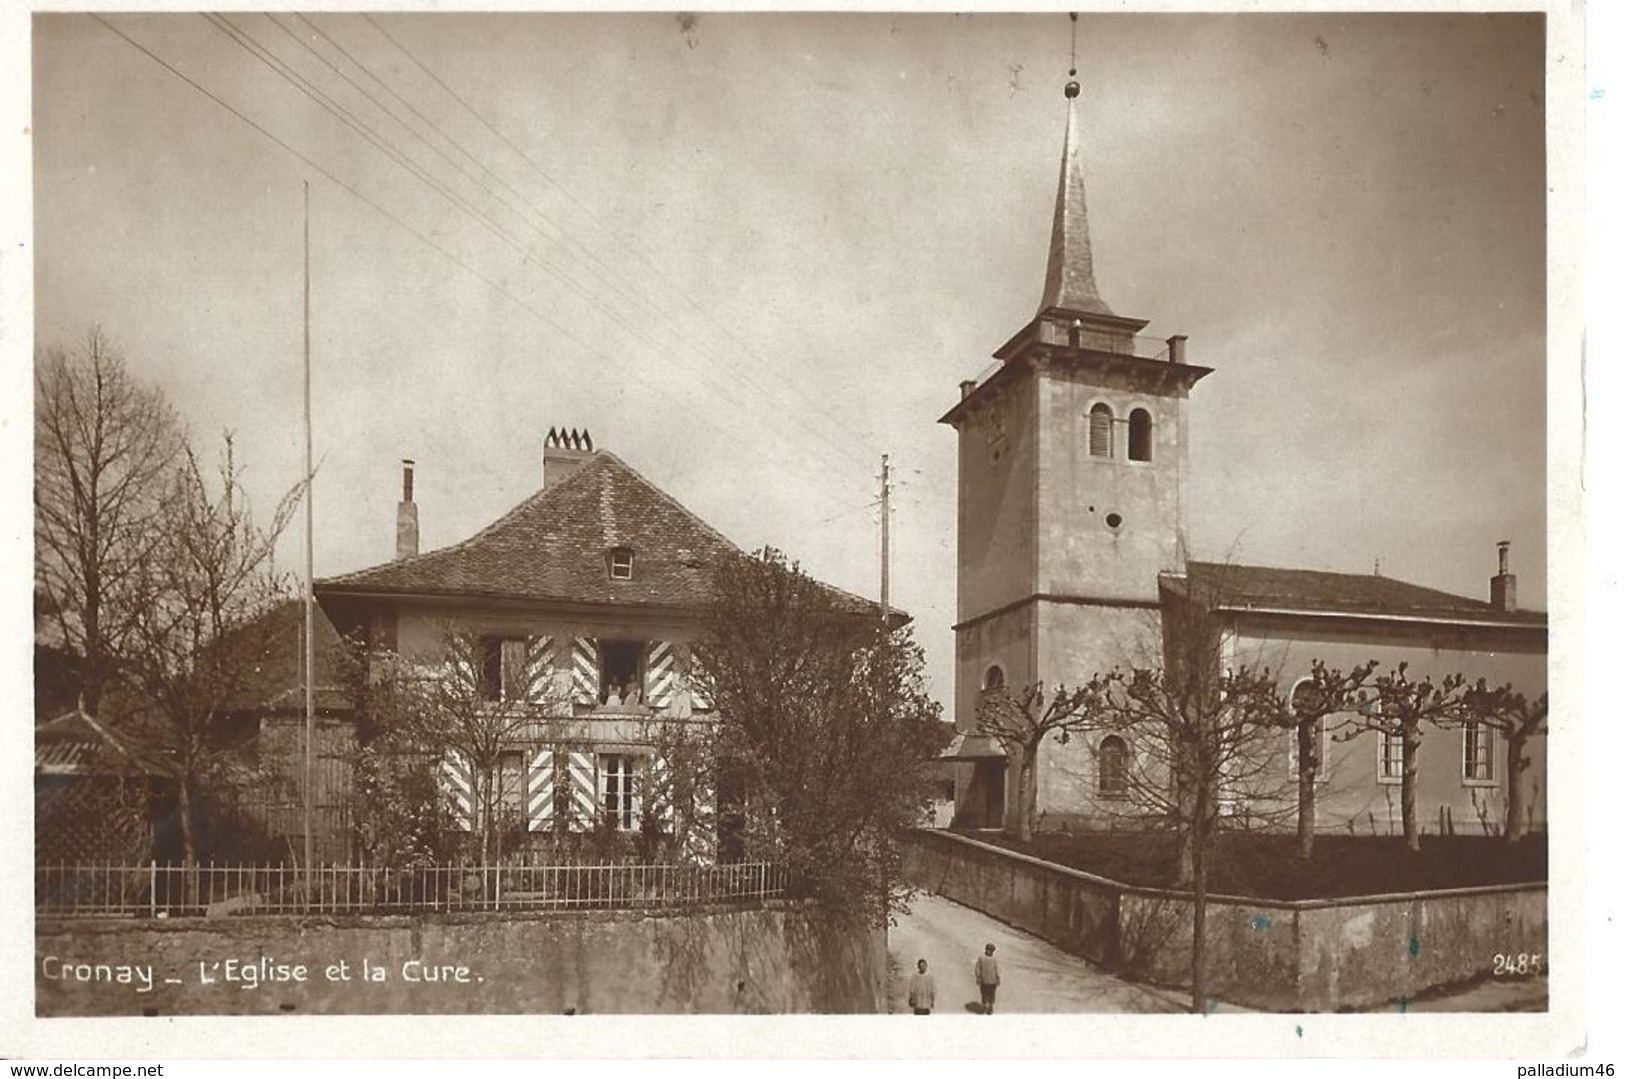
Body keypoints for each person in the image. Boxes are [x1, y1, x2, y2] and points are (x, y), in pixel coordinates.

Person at [974, 943, 1000, 1015]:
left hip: (992, 981)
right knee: (984, 993)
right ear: (986, 950)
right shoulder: (981, 958)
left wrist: (997, 978)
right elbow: (977, 968)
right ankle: (984, 1006)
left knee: (992, 994)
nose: (990, 952)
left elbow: (996, 969)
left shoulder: (994, 959)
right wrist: (978, 977)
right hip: (984, 980)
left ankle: (990, 1007)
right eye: (988, 950)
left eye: (991, 951)